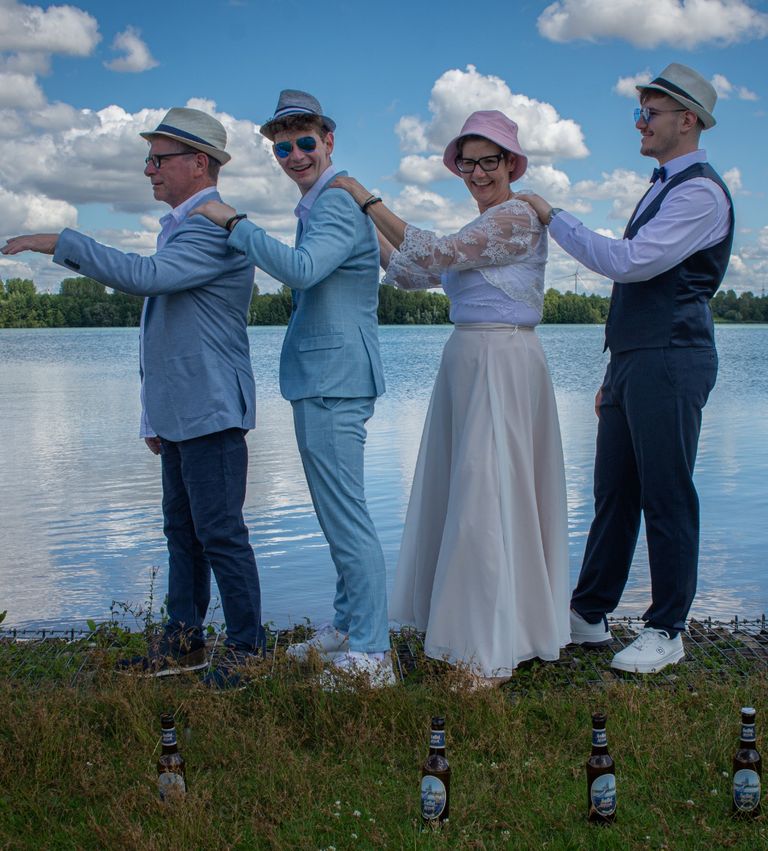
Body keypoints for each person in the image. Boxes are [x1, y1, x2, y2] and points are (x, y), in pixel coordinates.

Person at [2, 107, 265, 688]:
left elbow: (143, 278)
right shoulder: (179, 226)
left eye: (158, 158)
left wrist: (58, 242)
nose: (148, 169)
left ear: (199, 164)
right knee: (182, 531)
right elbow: (164, 333)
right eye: (149, 159)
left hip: (213, 410)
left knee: (220, 532)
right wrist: (151, 413)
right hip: (183, 411)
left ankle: (247, 652)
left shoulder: (211, 230)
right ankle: (182, 643)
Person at [333, 110, 571, 685]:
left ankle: (491, 645)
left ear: (511, 164)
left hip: (502, 360)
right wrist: (367, 231)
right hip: (468, 360)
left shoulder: (515, 216)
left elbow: (434, 252)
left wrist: (365, 198)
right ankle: (466, 626)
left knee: (489, 496)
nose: (479, 172)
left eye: (491, 161)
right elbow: (416, 273)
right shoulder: (482, 227)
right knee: (467, 491)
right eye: (469, 162)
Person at [517, 63, 734, 674]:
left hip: (673, 358)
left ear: (686, 120)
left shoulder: (699, 192)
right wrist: (613, 374)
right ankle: (588, 614)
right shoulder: (665, 183)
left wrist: (553, 216)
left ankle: (668, 629)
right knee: (614, 492)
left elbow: (631, 263)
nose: (639, 122)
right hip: (636, 361)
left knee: (667, 494)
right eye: (637, 111)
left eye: (649, 112)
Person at [191, 90, 393, 688]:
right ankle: (347, 624)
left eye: (306, 142)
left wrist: (233, 222)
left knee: (347, 516)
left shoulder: (332, 202)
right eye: (283, 146)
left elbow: (302, 270)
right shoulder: (323, 200)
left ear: (328, 141)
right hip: (330, 376)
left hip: (334, 378)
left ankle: (372, 653)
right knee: (337, 513)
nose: (295, 154)